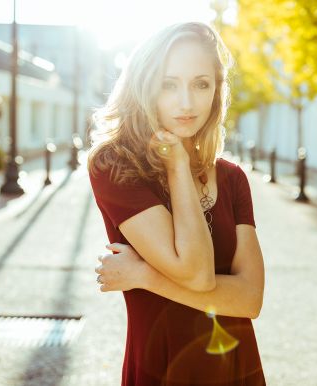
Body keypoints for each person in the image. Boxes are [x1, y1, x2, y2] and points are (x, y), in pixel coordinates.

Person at [88, 21, 266, 385]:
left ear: (217, 90)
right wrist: (178, 166)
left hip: (236, 365)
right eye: (169, 84)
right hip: (161, 366)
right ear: (145, 86)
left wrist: (143, 275)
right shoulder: (115, 165)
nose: (187, 103)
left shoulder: (232, 178)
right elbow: (197, 274)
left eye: (201, 84)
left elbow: (250, 300)